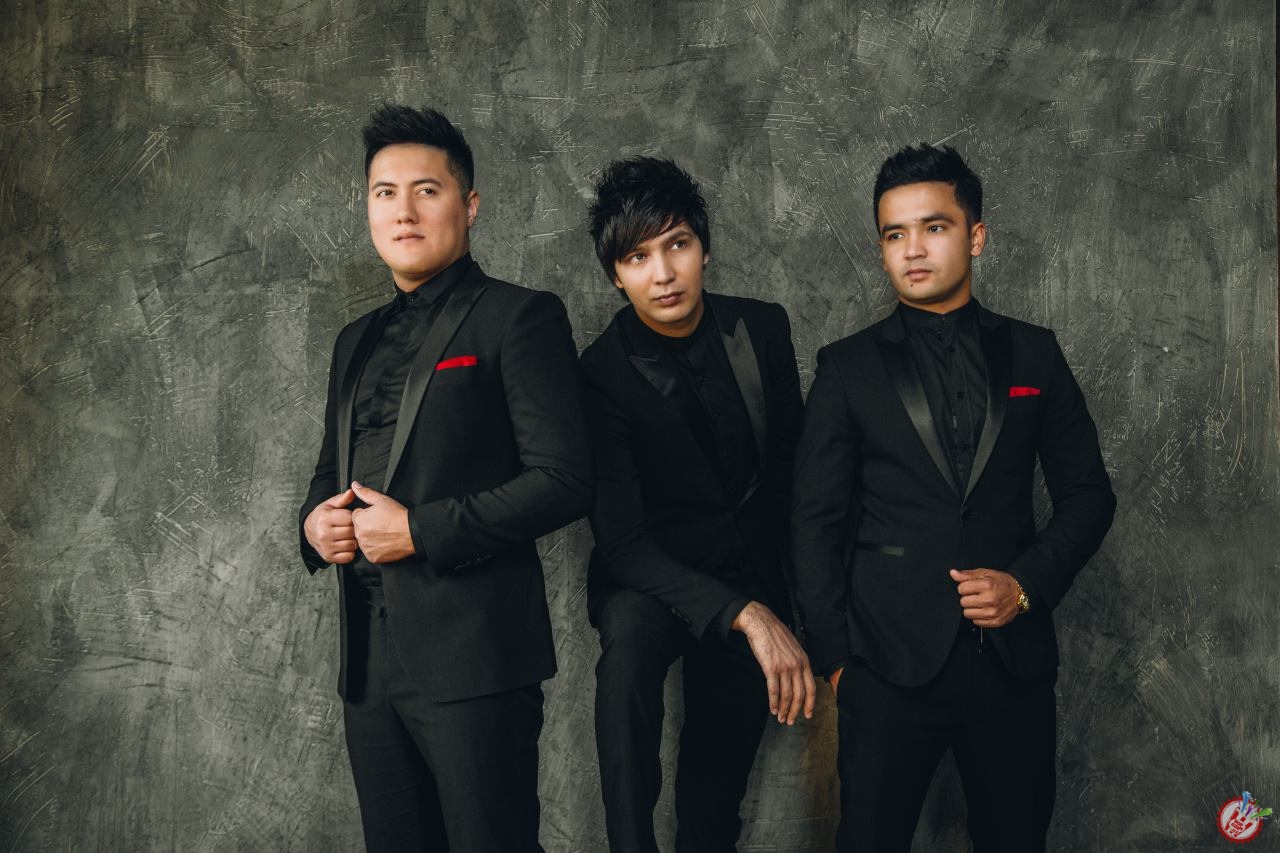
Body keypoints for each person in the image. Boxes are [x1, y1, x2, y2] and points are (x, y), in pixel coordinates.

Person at [791, 143, 1116, 852]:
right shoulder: (846, 368)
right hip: (886, 666)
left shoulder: (1035, 354)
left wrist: (1024, 587)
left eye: (933, 227)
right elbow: (814, 522)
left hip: (1012, 665)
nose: (912, 249)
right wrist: (839, 662)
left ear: (975, 236)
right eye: (894, 234)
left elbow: (1090, 495)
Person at [297, 104, 592, 852]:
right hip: (367, 667)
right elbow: (330, 472)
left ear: (470, 205)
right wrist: (313, 525)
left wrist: (418, 530)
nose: (403, 210)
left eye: (426, 190)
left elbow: (563, 479)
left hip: (475, 658)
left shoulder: (520, 317)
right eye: (384, 192)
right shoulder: (353, 340)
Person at [580, 156, 815, 853]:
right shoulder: (598, 374)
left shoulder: (762, 328)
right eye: (638, 257)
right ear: (616, 275)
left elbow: (795, 483)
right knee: (627, 653)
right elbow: (622, 544)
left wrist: (806, 614)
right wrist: (748, 613)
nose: (663, 273)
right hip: (652, 578)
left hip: (749, 569)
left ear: (704, 247)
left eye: (677, 244)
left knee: (712, 806)